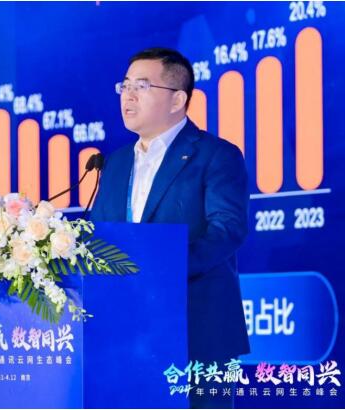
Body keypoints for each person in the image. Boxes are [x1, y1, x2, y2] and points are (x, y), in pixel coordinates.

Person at [90, 47, 250, 408]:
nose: (128, 95)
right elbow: (100, 236)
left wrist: (162, 268)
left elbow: (227, 230)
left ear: (177, 99)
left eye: (142, 86)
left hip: (196, 329)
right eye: (125, 86)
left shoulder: (216, 155)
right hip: (127, 334)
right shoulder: (114, 163)